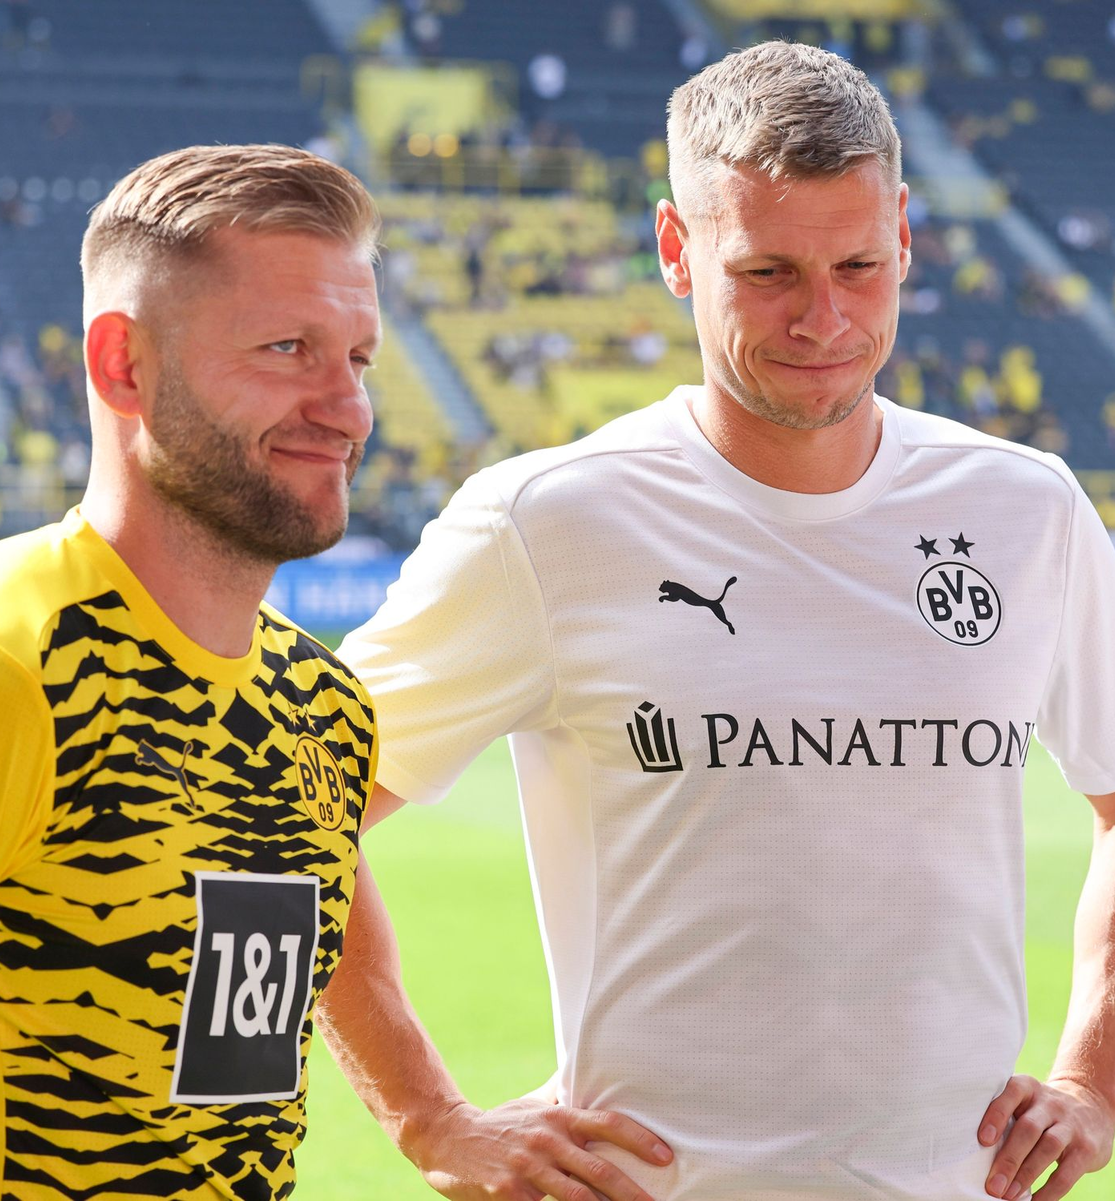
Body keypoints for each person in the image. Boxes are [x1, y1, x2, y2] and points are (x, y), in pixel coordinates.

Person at [323, 41, 1115, 1201]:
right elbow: (284, 808)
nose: (824, 317)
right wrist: (430, 1118)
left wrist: (1092, 1073)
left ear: (903, 228)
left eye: (857, 263)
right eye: (768, 273)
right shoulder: (544, 524)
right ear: (676, 251)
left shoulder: (1026, 509)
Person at [0, 144, 382, 1201]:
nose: (348, 409)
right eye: (287, 347)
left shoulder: (325, 709)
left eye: (358, 359)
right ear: (124, 362)